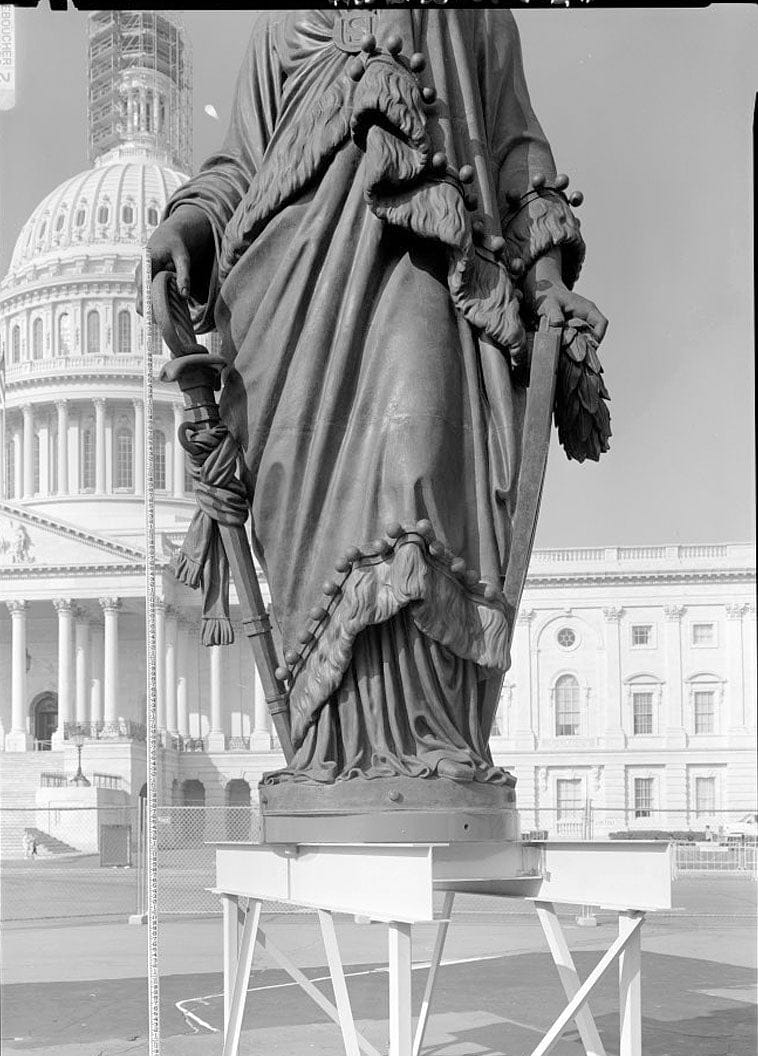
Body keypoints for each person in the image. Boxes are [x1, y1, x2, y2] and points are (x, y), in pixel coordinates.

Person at [141, 9, 607, 789]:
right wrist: (187, 224)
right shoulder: (278, 23)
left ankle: (431, 743)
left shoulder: (473, 13)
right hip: (287, 306)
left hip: (420, 266)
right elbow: (240, 166)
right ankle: (334, 750)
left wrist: (548, 276)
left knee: (416, 462)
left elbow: (516, 145)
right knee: (308, 518)